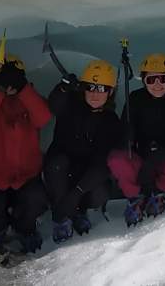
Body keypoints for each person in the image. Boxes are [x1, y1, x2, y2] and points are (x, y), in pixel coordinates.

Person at [0, 55, 52, 253]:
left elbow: (43, 117)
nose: (10, 84)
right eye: (4, 79)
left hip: (26, 177)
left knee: (36, 199)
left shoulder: (31, 101)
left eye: (15, 78)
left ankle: (25, 229)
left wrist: (24, 89)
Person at [106, 53, 165, 227]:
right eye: (151, 79)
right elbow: (124, 134)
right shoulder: (135, 98)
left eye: (163, 78)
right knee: (116, 159)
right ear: (144, 80)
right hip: (140, 159)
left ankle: (159, 193)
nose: (157, 84)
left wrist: (160, 156)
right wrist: (128, 137)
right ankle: (136, 196)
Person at [45, 60, 123, 242]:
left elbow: (103, 164)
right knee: (57, 165)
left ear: (110, 92)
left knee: (100, 192)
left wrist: (75, 195)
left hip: (86, 177)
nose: (95, 94)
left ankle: (78, 211)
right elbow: (54, 105)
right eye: (91, 87)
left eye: (102, 89)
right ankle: (62, 216)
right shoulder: (71, 104)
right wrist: (63, 87)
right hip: (61, 171)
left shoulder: (110, 121)